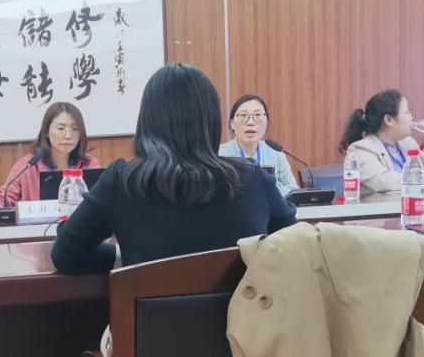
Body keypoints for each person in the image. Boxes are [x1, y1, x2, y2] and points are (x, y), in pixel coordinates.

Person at [51, 63, 298, 276]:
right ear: (212, 120)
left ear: (147, 120)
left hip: (147, 319)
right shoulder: (252, 180)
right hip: (239, 319)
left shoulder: (123, 181)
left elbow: (65, 255)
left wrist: (121, 257)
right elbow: (294, 248)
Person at [338, 90, 424, 193]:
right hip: (382, 214)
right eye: (407, 112)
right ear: (389, 120)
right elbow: (385, 181)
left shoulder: (407, 143)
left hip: (413, 208)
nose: (412, 117)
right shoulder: (361, 150)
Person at [0, 102, 101, 207]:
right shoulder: (28, 165)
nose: (68, 135)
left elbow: (100, 201)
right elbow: (3, 198)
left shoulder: (90, 165)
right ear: (46, 131)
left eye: (75, 129)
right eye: (61, 128)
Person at [219, 94, 299, 197]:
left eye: (257, 115)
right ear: (232, 123)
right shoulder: (220, 154)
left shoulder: (275, 153)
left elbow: (294, 191)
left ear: (266, 122)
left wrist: (271, 189)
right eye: (243, 115)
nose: (251, 122)